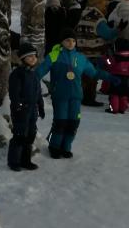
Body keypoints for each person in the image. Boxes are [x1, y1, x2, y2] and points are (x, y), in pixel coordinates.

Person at [37, 28, 119, 158]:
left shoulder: (80, 58)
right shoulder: (54, 55)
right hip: (60, 95)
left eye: (73, 41)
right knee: (60, 122)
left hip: (76, 96)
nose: (71, 43)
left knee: (73, 122)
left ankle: (66, 147)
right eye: (67, 40)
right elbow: (40, 71)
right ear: (62, 42)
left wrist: (110, 77)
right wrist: (28, 81)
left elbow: (95, 72)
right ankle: (54, 146)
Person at [75, 0, 125, 105]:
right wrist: (118, 29)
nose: (106, 7)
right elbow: (107, 35)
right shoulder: (97, 18)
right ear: (98, 4)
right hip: (94, 51)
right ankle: (89, 99)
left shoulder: (84, 14)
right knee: (93, 76)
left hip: (82, 50)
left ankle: (82, 96)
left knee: (85, 76)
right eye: (104, 4)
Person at [7, 43, 45, 172]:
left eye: (34, 56)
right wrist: (18, 105)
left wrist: (41, 106)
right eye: (29, 57)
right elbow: (14, 93)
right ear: (23, 59)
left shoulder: (34, 75)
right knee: (20, 135)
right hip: (21, 110)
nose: (33, 59)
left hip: (32, 110)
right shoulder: (17, 74)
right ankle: (14, 161)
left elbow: (38, 93)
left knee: (30, 135)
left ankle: (25, 160)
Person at [105, 38, 129, 114]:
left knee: (114, 93)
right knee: (124, 94)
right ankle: (123, 108)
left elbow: (109, 64)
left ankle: (114, 109)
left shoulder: (115, 56)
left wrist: (106, 58)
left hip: (115, 77)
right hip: (126, 78)